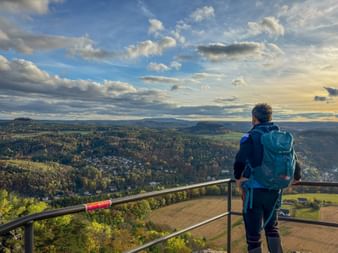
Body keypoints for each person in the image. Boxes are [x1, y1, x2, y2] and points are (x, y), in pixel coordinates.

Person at [233, 103, 301, 253]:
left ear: (254, 118)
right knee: (272, 228)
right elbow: (294, 158)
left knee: (253, 235)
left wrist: (238, 178)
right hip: (275, 191)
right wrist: (296, 176)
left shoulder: (250, 137)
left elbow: (240, 160)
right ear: (270, 118)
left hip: (254, 192)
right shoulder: (281, 138)